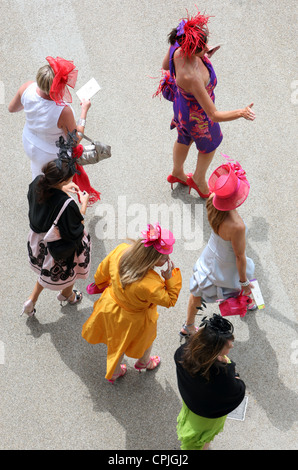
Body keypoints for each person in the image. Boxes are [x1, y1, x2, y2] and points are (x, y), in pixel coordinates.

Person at [160, 11, 255, 198]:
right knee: (209, 146)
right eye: (201, 48)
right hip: (199, 116)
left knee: (183, 137)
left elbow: (165, 66)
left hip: (181, 108)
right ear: (189, 50)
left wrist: (202, 54)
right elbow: (213, 115)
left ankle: (177, 172)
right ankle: (198, 179)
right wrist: (241, 112)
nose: (206, 49)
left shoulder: (178, 45)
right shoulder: (192, 77)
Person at [82, 223, 182, 384]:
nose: (168, 259)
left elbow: (102, 270)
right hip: (133, 319)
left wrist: (99, 284)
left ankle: (116, 371)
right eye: (164, 257)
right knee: (144, 339)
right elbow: (169, 300)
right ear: (152, 258)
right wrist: (170, 278)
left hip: (109, 305)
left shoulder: (121, 250)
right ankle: (143, 362)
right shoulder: (151, 283)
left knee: (116, 343)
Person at [180, 156, 255, 339]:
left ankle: (188, 325)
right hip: (227, 261)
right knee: (238, 281)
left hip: (211, 254)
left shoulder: (213, 199)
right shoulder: (237, 226)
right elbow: (239, 257)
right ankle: (248, 299)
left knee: (198, 288)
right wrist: (244, 283)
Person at [22, 146, 91, 317]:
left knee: (44, 272)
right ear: (62, 181)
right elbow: (77, 226)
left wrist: (61, 189)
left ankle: (31, 301)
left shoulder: (38, 181)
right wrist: (83, 204)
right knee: (71, 271)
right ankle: (68, 295)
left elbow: (46, 198)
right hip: (57, 248)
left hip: (38, 240)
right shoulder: (67, 205)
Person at [8, 56, 91, 180]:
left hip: (29, 142)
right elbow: (75, 140)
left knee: (37, 178)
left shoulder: (27, 88)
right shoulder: (63, 111)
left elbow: (12, 108)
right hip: (50, 155)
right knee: (55, 188)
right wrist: (84, 110)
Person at [175, 314, 246, 450]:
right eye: (229, 345)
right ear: (214, 351)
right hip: (206, 416)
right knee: (199, 439)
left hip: (191, 401)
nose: (231, 346)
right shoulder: (222, 374)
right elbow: (237, 392)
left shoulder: (182, 353)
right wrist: (233, 374)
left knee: (195, 435)